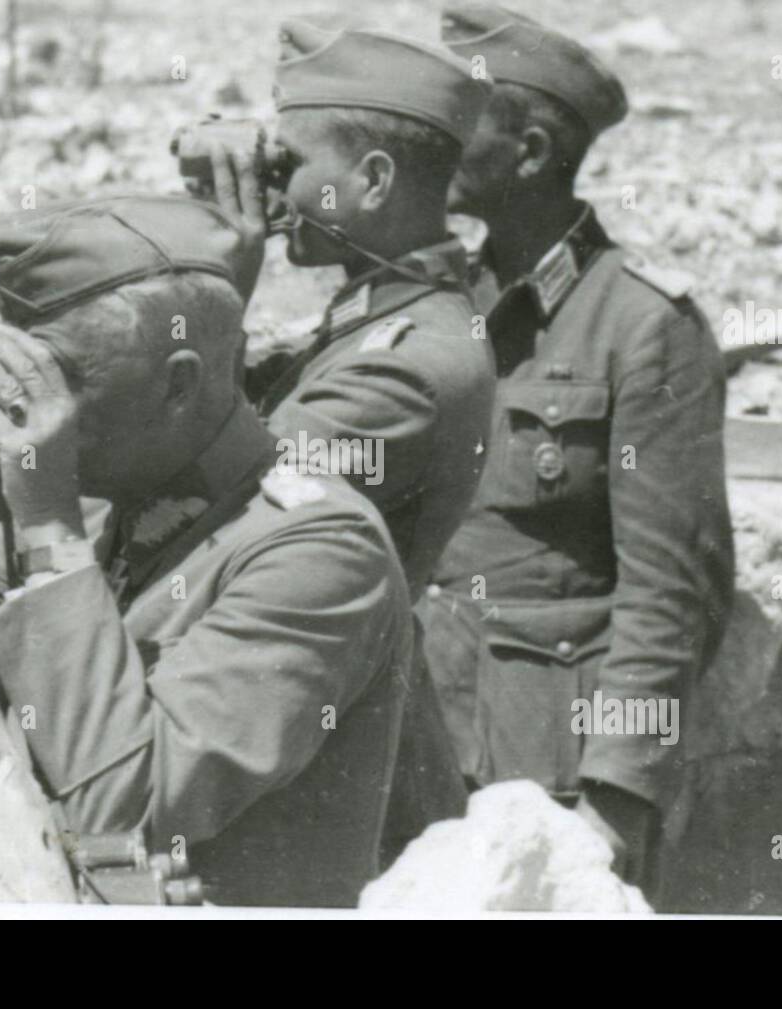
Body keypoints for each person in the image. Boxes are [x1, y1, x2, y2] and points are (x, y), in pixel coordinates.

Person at [0, 195, 414, 908]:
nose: (22, 402)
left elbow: (124, 815)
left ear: (179, 383)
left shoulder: (319, 552)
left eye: (53, 375)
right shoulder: (109, 498)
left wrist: (52, 528)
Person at [419, 4, 736, 900]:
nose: (430, 137)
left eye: (457, 120)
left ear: (527, 154)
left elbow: (672, 591)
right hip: (430, 752)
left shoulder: (644, 325)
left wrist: (615, 802)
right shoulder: (451, 300)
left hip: (554, 773)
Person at [207, 22, 497, 860]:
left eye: (288, 165)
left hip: (328, 788)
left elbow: (217, 504)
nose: (270, 189)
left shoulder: (402, 368)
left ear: (371, 181)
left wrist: (220, 290)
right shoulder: (378, 317)